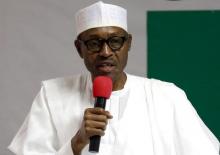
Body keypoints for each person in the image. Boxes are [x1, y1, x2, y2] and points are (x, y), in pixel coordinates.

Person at [8, 1, 219, 155]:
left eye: (115, 41)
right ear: (79, 48)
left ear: (129, 44)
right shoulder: (51, 96)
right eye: (93, 43)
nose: (106, 52)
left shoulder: (166, 96)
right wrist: (76, 143)